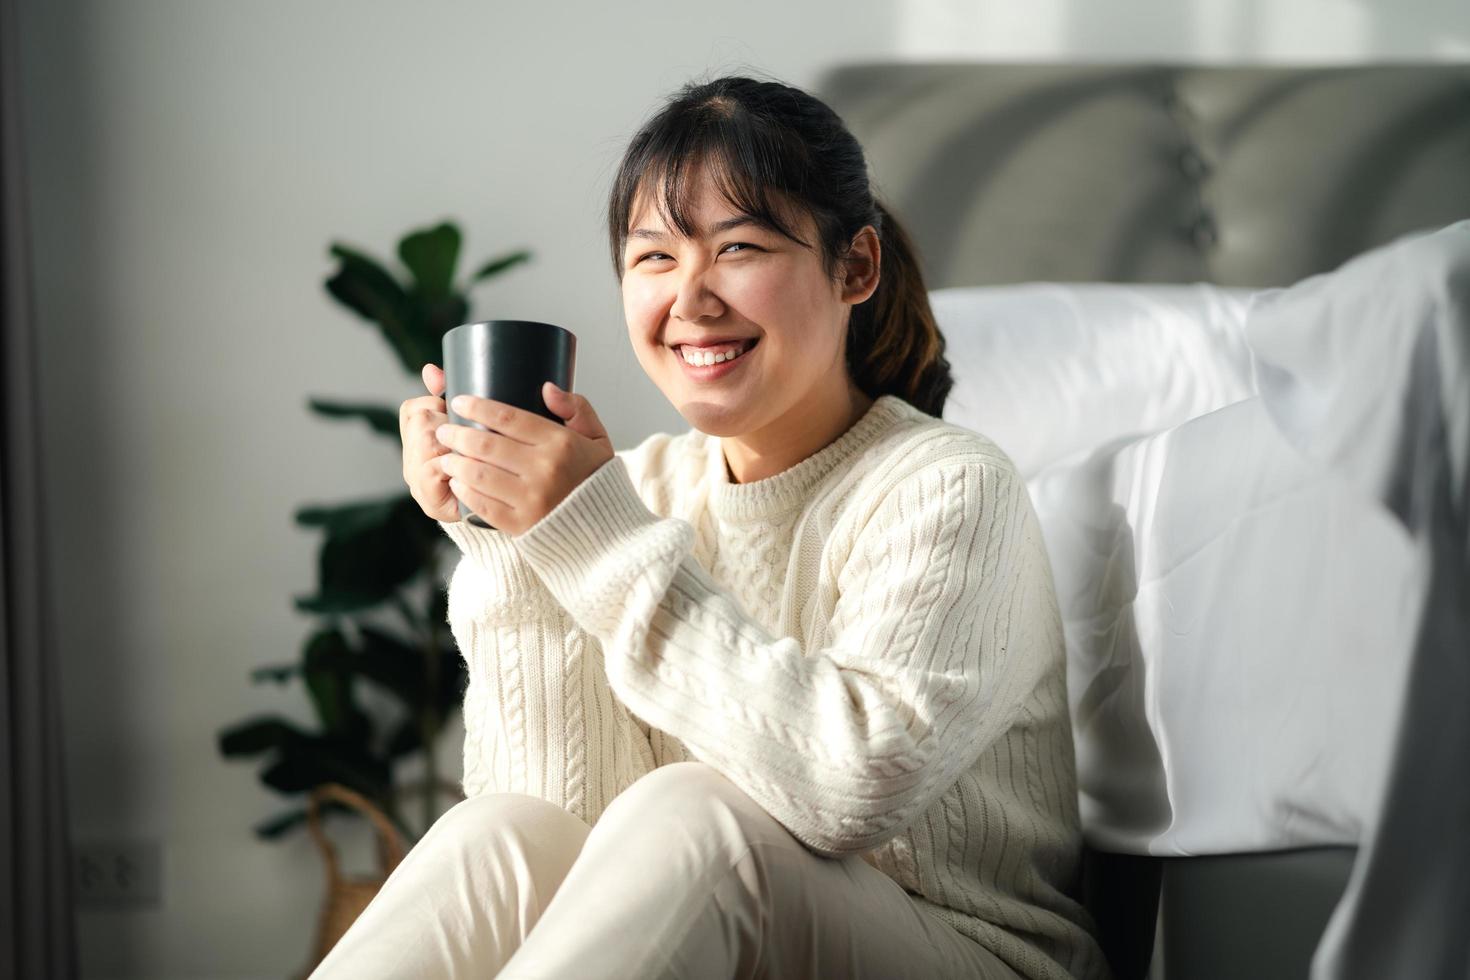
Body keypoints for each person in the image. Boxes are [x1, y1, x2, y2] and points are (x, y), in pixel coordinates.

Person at [309, 72, 1112, 980]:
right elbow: (566, 820)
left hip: (973, 953)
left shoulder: (949, 486)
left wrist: (593, 535)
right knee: (504, 832)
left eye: (737, 248)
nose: (691, 298)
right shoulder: (638, 487)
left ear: (855, 267)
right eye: (653, 257)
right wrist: (512, 539)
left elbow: (851, 788)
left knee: (701, 815)